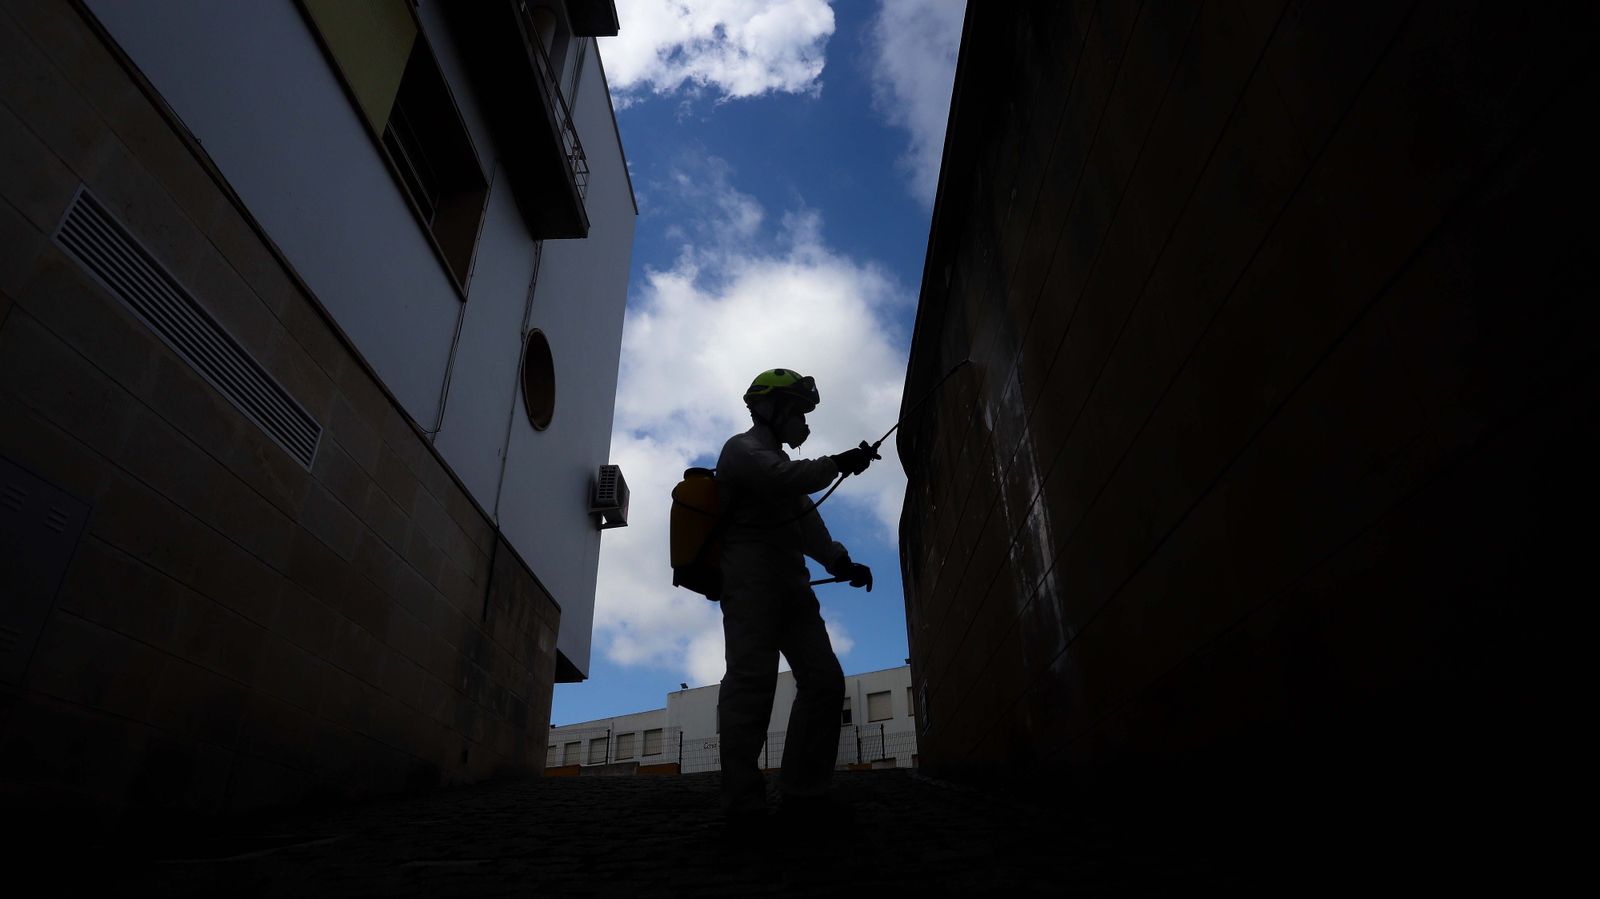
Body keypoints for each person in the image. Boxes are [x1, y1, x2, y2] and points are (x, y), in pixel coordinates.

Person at [714, 368, 877, 823]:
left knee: (824, 681)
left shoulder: (782, 465)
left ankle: (805, 792)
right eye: (799, 413)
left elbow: (808, 521)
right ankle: (742, 802)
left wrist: (840, 562)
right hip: (749, 581)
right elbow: (786, 480)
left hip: (792, 583)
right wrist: (839, 463)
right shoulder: (741, 451)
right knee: (752, 684)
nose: (804, 424)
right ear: (771, 410)